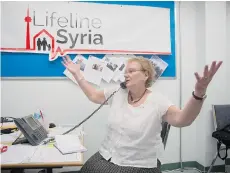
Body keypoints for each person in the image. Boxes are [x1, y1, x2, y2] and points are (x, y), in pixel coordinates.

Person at [61, 55, 222, 173]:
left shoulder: (157, 101)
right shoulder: (117, 92)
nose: (126, 74)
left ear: (146, 75)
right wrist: (77, 74)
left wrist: (198, 93)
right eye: (125, 71)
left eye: (131, 71)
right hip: (106, 156)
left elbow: (182, 120)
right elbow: (94, 96)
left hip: (137, 165)